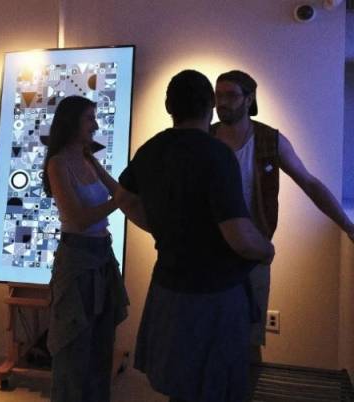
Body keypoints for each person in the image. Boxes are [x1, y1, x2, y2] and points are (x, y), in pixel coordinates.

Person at [115, 70, 275, 402]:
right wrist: (266, 249)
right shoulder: (217, 154)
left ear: (168, 106)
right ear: (210, 106)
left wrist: (161, 227)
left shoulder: (151, 149)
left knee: (180, 387)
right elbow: (238, 236)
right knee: (217, 388)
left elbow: (125, 199)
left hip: (168, 288)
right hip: (215, 294)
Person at [211, 70, 354, 360]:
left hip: (253, 253)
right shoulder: (205, 138)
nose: (222, 102)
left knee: (249, 340)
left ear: (249, 99)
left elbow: (309, 183)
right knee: (207, 336)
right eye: (218, 95)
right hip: (209, 252)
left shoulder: (268, 140)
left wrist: (347, 225)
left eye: (231, 95)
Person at [43, 95, 130, 402]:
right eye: (89, 118)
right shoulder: (57, 164)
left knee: (100, 345)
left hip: (102, 256)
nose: (95, 125)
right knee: (74, 344)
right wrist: (118, 202)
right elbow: (79, 219)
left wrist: (125, 195)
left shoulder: (88, 159)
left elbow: (118, 190)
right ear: (72, 122)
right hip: (77, 261)